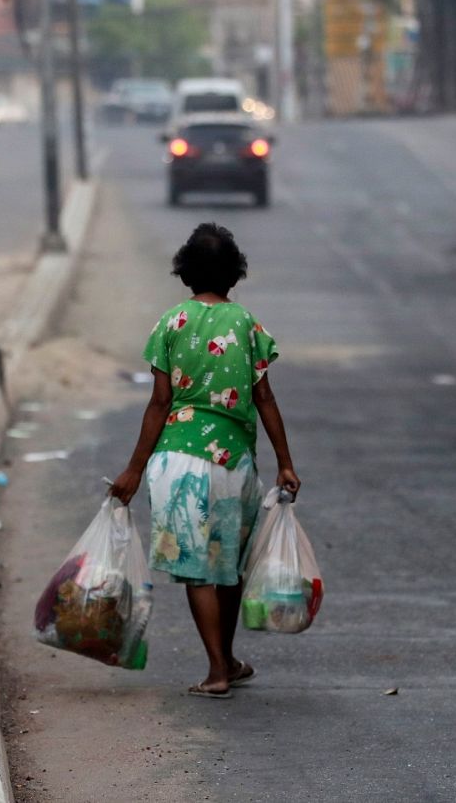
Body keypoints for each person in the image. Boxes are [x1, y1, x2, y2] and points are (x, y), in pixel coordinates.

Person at [109, 223, 302, 699]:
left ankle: (218, 668)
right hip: (232, 462)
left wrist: (134, 469)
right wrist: (285, 462)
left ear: (185, 272)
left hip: (176, 460)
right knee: (229, 566)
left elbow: (159, 404)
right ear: (235, 274)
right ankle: (227, 661)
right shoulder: (247, 325)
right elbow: (265, 398)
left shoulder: (171, 323)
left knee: (197, 569)